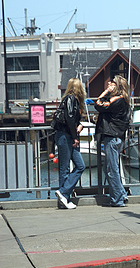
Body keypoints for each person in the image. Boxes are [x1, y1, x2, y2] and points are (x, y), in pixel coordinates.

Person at [94, 75, 131, 207]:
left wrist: (106, 91)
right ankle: (121, 194)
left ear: (118, 86)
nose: (109, 83)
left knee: (111, 170)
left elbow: (98, 104)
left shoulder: (116, 100)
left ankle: (117, 200)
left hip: (112, 137)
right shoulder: (124, 100)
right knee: (109, 168)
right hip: (117, 137)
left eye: (113, 82)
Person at [54, 78, 86, 209]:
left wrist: (79, 126)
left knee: (80, 165)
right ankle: (64, 197)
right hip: (66, 136)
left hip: (66, 135)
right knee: (66, 168)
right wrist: (75, 137)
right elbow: (70, 118)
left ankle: (63, 194)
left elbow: (71, 118)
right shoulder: (71, 99)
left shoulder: (69, 99)